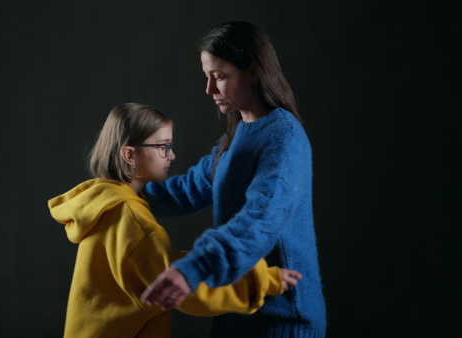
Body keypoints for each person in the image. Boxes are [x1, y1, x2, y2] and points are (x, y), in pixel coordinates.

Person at [47, 103, 302, 338]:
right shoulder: (133, 221)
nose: (172, 156)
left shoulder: (103, 206)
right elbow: (185, 290)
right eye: (163, 146)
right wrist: (262, 281)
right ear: (129, 154)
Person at [140, 22, 327, 337]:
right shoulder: (234, 137)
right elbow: (184, 192)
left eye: (220, 77)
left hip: (281, 320)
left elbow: (260, 219)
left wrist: (194, 269)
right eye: (207, 77)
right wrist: (114, 192)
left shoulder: (284, 137)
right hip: (238, 311)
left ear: (253, 72)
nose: (209, 90)